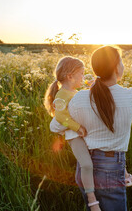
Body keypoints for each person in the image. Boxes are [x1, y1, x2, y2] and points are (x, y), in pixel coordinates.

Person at [50, 46, 132, 211]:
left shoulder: (78, 98)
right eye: (121, 61)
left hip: (86, 167)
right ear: (116, 67)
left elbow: (55, 125)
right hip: (111, 168)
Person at [44, 56, 101, 211]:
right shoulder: (62, 95)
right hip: (75, 137)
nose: (83, 77)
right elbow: (60, 116)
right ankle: (91, 199)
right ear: (70, 76)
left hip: (83, 135)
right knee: (87, 165)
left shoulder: (74, 92)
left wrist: (93, 89)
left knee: (93, 162)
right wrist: (77, 127)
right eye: (81, 74)